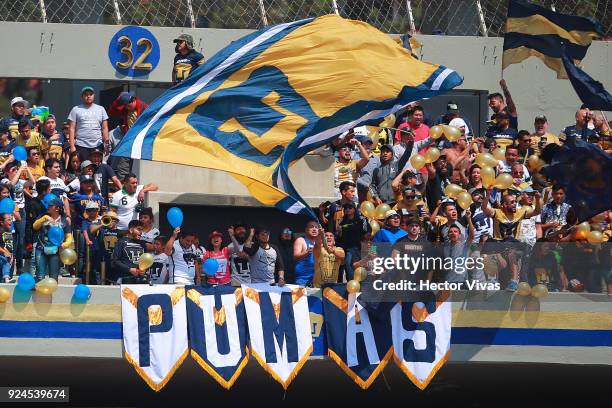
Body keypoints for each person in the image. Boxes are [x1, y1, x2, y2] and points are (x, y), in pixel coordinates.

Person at [31, 197, 73, 281]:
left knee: (54, 277)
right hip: (41, 249)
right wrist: (44, 218)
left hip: (55, 251)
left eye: (50, 205)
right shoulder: (43, 216)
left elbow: (69, 236)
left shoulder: (64, 221)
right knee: (40, 276)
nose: (48, 207)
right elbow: (35, 226)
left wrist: (65, 244)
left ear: (57, 208)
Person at [67, 86, 109, 160]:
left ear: (94, 96)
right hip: (81, 145)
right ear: (82, 97)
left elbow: (105, 128)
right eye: (86, 94)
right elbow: (71, 128)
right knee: (83, 168)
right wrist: (72, 146)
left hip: (97, 144)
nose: (88, 96)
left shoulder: (101, 109)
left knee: (97, 168)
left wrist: (107, 145)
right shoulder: (76, 109)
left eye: (90, 94)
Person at [111, 220, 152, 284]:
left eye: (142, 230)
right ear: (131, 230)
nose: (141, 232)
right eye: (138, 229)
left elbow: (146, 261)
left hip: (140, 280)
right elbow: (115, 261)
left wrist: (144, 270)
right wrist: (129, 269)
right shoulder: (121, 242)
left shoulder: (143, 244)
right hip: (125, 278)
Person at [337, 202, 370, 281]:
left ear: (355, 209)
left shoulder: (362, 219)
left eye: (350, 207)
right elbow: (339, 235)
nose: (347, 209)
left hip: (361, 247)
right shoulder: (342, 220)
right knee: (348, 265)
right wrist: (339, 231)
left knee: (366, 267)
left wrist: (367, 243)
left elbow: (368, 232)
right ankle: (351, 283)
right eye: (345, 208)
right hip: (348, 248)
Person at [443, 213, 475, 283]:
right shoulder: (445, 248)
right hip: (448, 281)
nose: (453, 233)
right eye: (450, 232)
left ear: (459, 235)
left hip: (462, 281)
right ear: (448, 235)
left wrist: (469, 219)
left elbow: (472, 236)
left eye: (455, 231)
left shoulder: (464, 246)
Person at [293, 220, 319, 286]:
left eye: (316, 227)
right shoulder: (300, 240)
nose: (314, 229)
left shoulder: (320, 243)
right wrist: (307, 252)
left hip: (316, 280)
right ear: (306, 230)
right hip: (302, 280)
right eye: (311, 227)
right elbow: (295, 257)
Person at [356, 137, 379, 202]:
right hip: (359, 191)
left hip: (373, 193)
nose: (368, 146)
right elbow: (353, 175)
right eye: (366, 144)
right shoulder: (355, 157)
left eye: (370, 144)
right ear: (361, 145)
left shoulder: (377, 158)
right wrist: (364, 184)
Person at [0, 213, 13, 283]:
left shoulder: (9, 232)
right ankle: (6, 278)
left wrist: (12, 255)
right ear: (2, 222)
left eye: (11, 219)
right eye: (8, 220)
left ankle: (6, 279)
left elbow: (10, 245)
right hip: (2, 257)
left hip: (7, 258)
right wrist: (4, 252)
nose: (10, 221)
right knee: (5, 263)